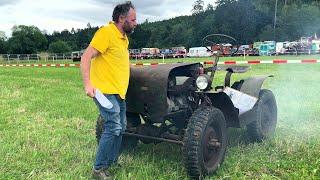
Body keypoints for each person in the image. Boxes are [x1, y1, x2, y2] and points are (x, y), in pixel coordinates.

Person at [80, 1, 137, 179]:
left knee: (121, 127)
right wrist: (88, 84)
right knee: (113, 127)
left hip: (119, 92)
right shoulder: (106, 32)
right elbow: (86, 57)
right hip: (103, 91)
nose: (136, 23)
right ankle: (98, 169)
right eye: (133, 19)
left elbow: (119, 62)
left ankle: (111, 160)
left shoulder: (123, 38)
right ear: (121, 19)